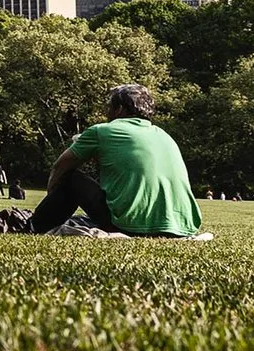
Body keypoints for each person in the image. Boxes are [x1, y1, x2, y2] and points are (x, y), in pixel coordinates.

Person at [21, 84, 201, 238]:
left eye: (109, 107)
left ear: (120, 109)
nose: (106, 112)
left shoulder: (102, 131)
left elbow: (60, 167)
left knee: (70, 179)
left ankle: (34, 227)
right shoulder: (164, 136)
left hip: (129, 226)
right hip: (182, 228)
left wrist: (52, 198)